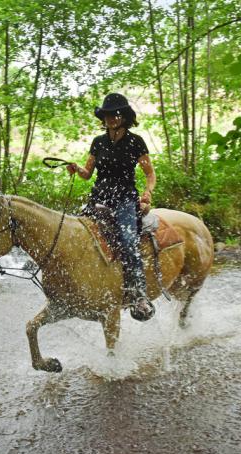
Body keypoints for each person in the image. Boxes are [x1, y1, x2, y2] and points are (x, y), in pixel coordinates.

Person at [66, 93, 156, 321]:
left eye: (116, 114)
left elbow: (149, 173)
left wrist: (147, 193)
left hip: (125, 198)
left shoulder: (136, 142)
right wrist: (77, 169)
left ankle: (139, 295)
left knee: (128, 241)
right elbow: (88, 174)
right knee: (77, 234)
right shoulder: (98, 142)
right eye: (107, 115)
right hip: (99, 197)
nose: (111, 118)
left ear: (124, 116)